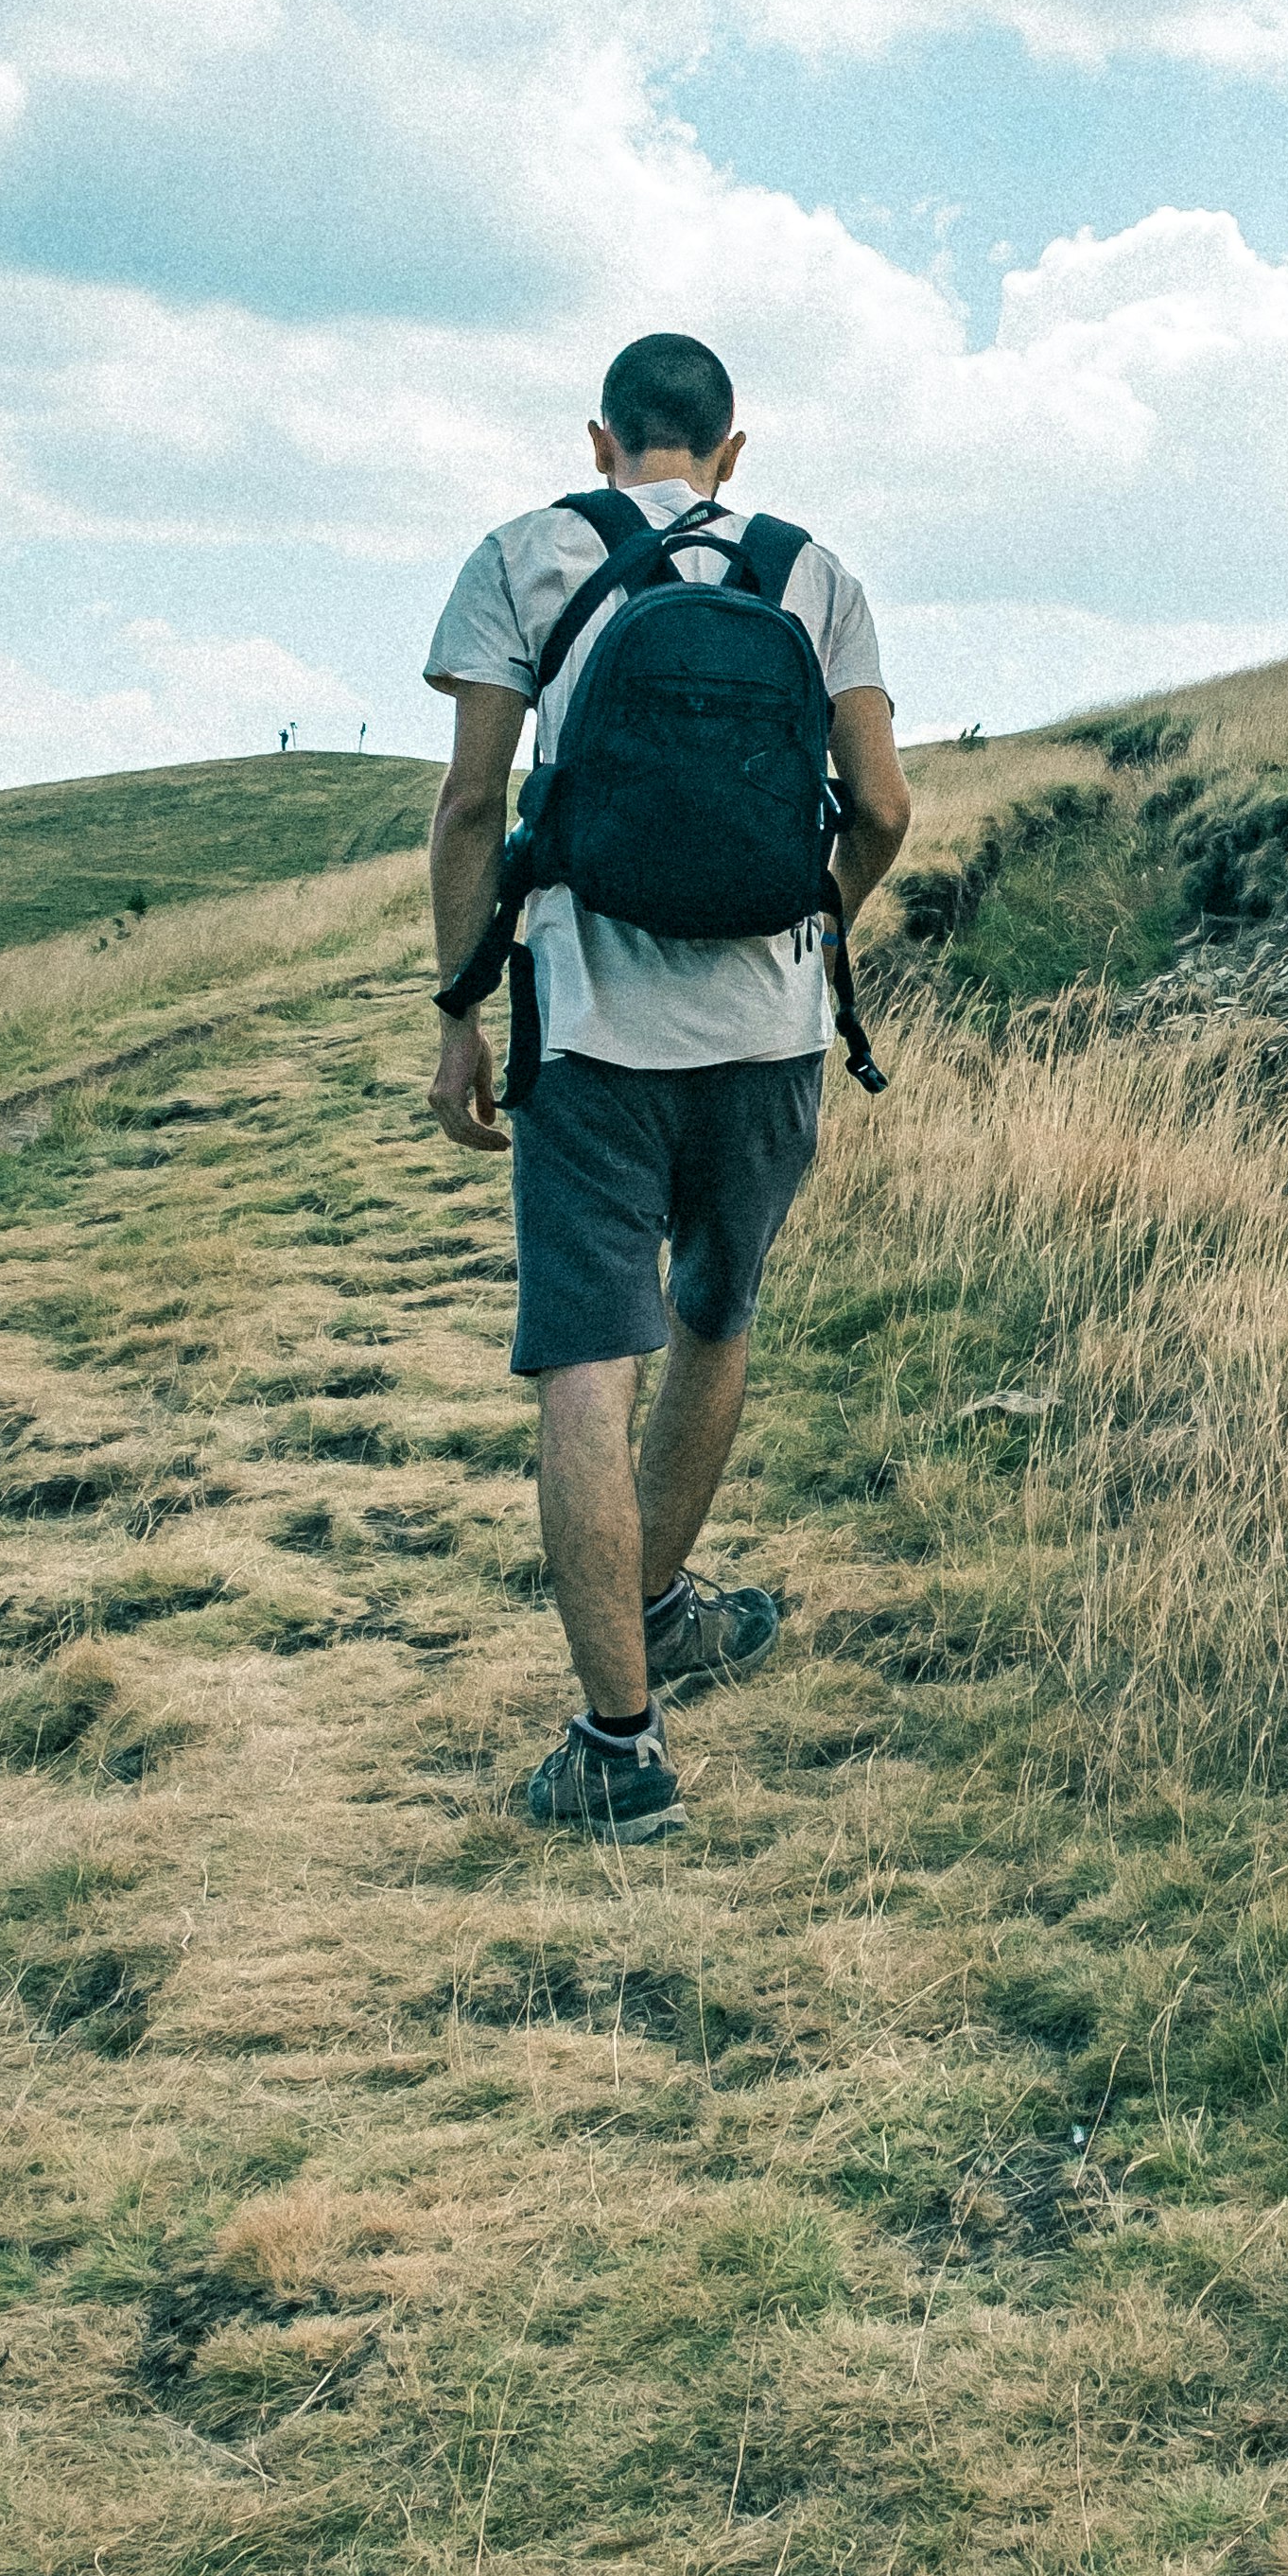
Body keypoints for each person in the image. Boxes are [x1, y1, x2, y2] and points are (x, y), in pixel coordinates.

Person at [424, 332, 909, 1838]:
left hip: (590, 1025)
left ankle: (619, 1748)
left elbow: (466, 806)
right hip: (767, 1026)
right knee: (716, 1315)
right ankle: (664, 1610)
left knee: (587, 1360)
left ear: (599, 440)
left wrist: (458, 1012)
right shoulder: (809, 571)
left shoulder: (524, 554)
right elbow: (884, 806)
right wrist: (813, 923)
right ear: (732, 448)